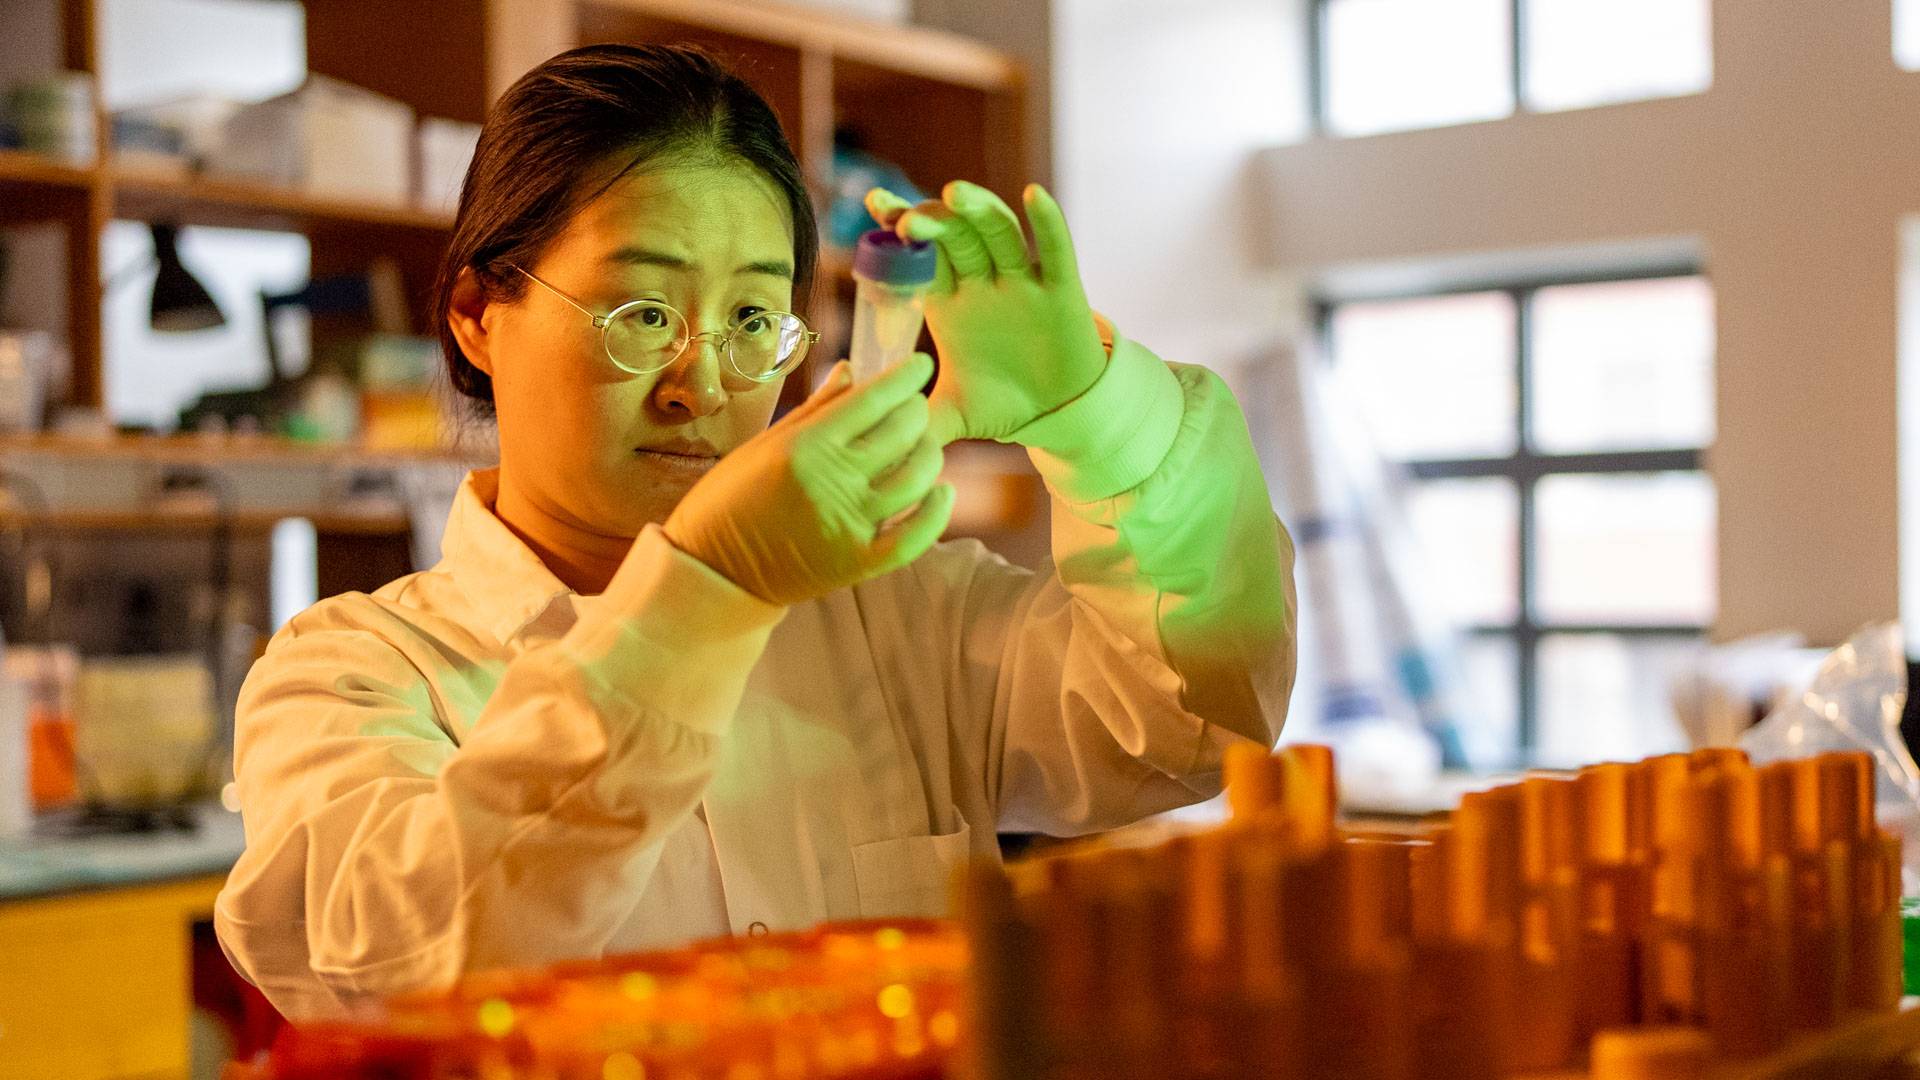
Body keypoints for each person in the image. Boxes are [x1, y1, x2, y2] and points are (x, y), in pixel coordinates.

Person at [214, 43, 1296, 1020]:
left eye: (750, 321)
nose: (703, 385)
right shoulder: (356, 676)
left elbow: (1193, 719)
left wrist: (1100, 414)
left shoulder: (901, 620)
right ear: (474, 316)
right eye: (644, 315)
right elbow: (409, 971)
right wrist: (706, 592)